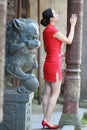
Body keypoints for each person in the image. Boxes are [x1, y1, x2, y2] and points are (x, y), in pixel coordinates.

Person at [40, 8, 77, 129]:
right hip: (54, 65)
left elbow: (47, 50)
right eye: (55, 13)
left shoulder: (46, 31)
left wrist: (59, 54)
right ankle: (47, 120)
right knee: (56, 92)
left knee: (47, 92)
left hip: (48, 63)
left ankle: (45, 120)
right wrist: (73, 25)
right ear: (51, 18)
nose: (57, 14)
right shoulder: (53, 30)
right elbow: (69, 40)